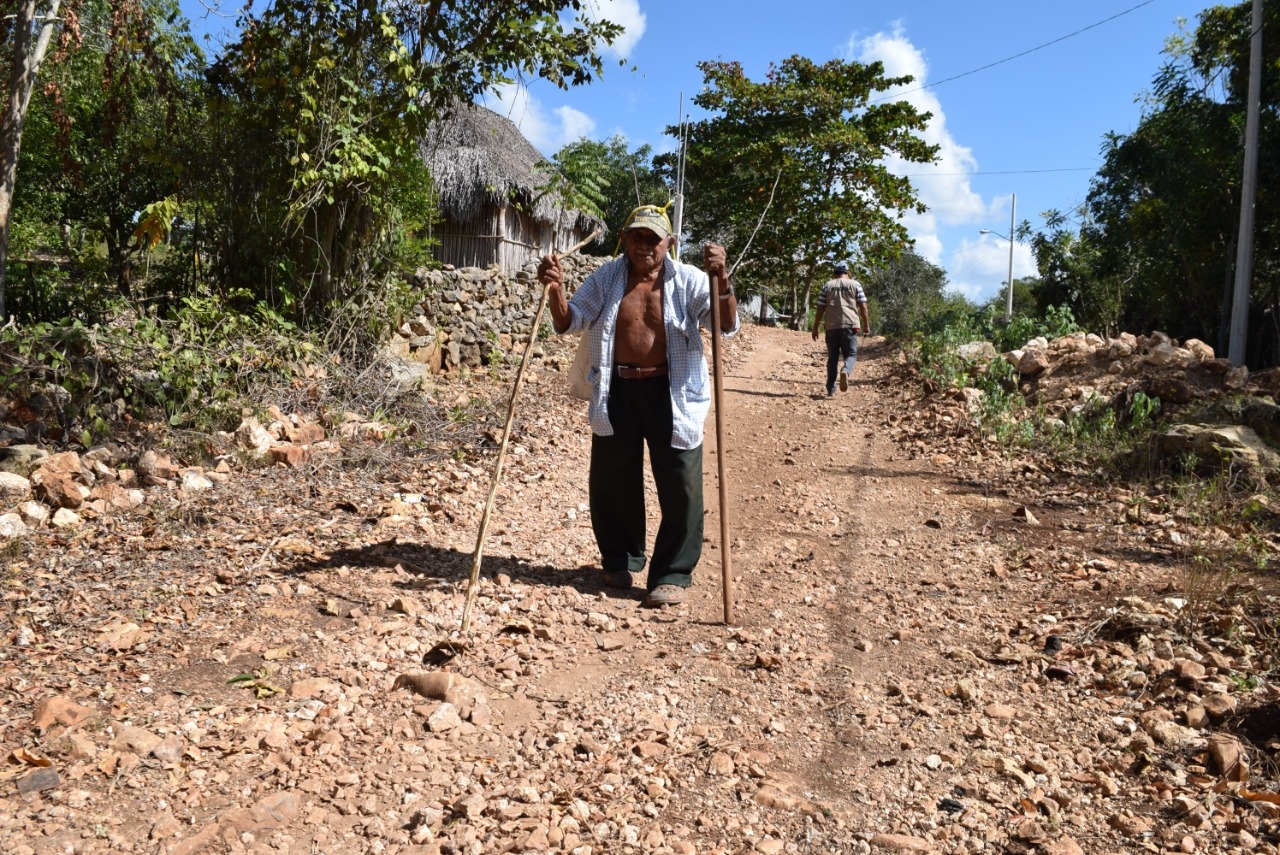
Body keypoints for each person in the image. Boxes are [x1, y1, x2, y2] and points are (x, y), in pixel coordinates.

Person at [537, 205, 738, 607]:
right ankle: (619, 560)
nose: (644, 245)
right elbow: (568, 321)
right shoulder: (607, 277)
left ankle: (672, 572)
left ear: (669, 243)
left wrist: (723, 281)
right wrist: (556, 289)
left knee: (682, 485)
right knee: (612, 481)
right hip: (618, 389)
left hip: (673, 390)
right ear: (625, 240)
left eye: (653, 238)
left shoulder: (690, 280)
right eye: (637, 237)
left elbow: (725, 325)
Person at [811, 261, 870, 396]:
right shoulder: (855, 284)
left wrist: (815, 327)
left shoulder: (827, 285)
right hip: (850, 325)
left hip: (831, 326)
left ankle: (831, 388)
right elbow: (863, 306)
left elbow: (820, 307)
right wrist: (866, 324)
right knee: (851, 354)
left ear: (834, 273)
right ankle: (845, 370)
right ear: (848, 273)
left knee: (832, 358)